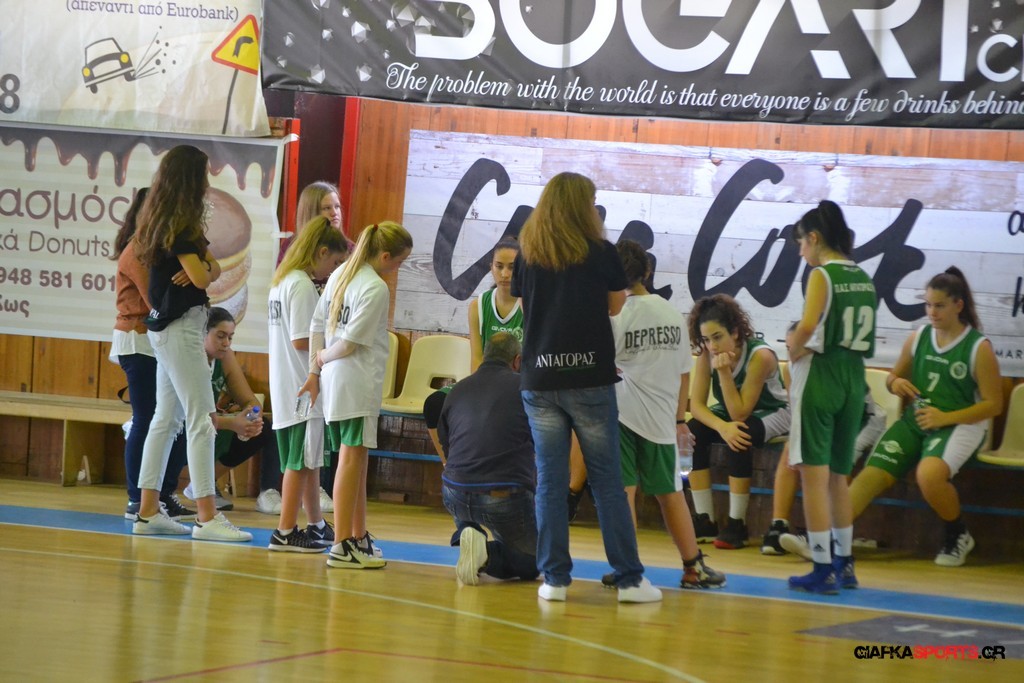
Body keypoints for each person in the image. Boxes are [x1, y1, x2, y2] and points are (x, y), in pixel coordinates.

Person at [782, 267, 1002, 567]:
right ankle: (825, 539)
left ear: (958, 305)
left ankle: (958, 533)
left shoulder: (978, 347)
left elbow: (993, 405)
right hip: (917, 420)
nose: (932, 312)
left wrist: (944, 417)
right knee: (870, 475)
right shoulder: (919, 337)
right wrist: (895, 383)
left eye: (939, 305)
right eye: (928, 305)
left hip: (961, 424)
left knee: (929, 475)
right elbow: (892, 378)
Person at [511, 171, 661, 604]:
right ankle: (629, 580)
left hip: (540, 378)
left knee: (550, 481)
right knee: (607, 481)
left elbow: (524, 307)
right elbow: (615, 305)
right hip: (589, 377)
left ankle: (554, 579)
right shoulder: (600, 251)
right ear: (584, 206)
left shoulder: (528, 252)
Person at [132, 144, 251, 541]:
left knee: (166, 420)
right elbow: (203, 277)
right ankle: (207, 517)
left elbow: (209, 268)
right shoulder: (181, 227)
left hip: (171, 328)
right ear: (190, 180)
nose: (207, 183)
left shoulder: (164, 222)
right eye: (203, 175)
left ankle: (148, 511)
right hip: (181, 328)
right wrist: (203, 268)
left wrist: (204, 267)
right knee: (201, 419)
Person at [608, 239, 726, 589]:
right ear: (647, 271)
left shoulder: (613, 316)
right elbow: (684, 373)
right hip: (662, 418)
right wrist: (679, 420)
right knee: (671, 493)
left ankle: (627, 569)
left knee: (624, 493)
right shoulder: (672, 314)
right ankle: (693, 568)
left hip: (621, 414)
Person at [306, 220, 413, 569]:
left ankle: (358, 535)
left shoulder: (340, 274)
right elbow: (349, 343)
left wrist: (316, 369)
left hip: (337, 382)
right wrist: (321, 358)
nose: (398, 269)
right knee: (350, 462)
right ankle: (342, 545)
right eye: (399, 262)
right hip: (356, 382)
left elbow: (316, 325)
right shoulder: (375, 287)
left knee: (357, 461)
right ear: (385, 256)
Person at [785, 200, 877, 593]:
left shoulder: (823, 275)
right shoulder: (863, 276)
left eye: (800, 243)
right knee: (840, 477)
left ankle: (821, 567)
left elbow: (808, 326)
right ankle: (845, 562)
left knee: (813, 479)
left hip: (822, 377)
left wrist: (793, 347)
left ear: (814, 237)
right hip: (854, 378)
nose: (800, 251)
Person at [761, 325, 887, 555]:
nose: (792, 353)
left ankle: (822, 537)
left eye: (798, 347)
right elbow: (799, 411)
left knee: (836, 464)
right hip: (825, 421)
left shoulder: (837, 368)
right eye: (788, 348)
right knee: (791, 449)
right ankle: (778, 527)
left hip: (862, 420)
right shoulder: (791, 368)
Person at [110, 187, 194, 522]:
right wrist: (192, 280)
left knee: (175, 419)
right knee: (146, 419)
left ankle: (163, 494)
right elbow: (158, 300)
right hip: (138, 339)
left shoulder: (156, 250)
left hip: (156, 340)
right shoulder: (137, 251)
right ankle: (137, 498)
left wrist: (196, 274)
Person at [267, 217, 349, 552]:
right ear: (321, 252)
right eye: (335, 262)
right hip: (302, 387)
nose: (333, 271)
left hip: (289, 385)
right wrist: (337, 343)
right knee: (299, 463)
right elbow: (303, 340)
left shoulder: (282, 280)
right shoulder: (301, 285)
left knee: (308, 460)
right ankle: (285, 531)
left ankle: (315, 524)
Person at [686, 294, 790, 550]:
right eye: (706, 339)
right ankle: (705, 519)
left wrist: (723, 372)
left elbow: (739, 414)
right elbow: (696, 406)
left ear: (735, 332)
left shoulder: (760, 356)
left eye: (717, 337)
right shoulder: (707, 355)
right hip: (735, 410)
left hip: (774, 410)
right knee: (693, 432)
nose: (712, 346)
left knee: (740, 433)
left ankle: (737, 524)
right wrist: (722, 427)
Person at [437, 332, 539, 584]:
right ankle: (485, 555)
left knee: (466, 502)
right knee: (533, 563)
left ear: (485, 357)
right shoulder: (525, 388)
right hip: (501, 495)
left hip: (454, 492)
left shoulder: (457, 389)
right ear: (517, 360)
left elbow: (447, 444)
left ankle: (468, 532)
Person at [180, 308, 284, 516]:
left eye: (230, 337)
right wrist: (233, 423)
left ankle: (267, 493)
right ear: (202, 333)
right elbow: (190, 417)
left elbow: (252, 402)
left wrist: (251, 417)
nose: (226, 343)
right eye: (220, 336)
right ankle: (164, 492)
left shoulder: (225, 356)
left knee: (265, 428)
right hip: (183, 428)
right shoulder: (188, 357)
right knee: (189, 430)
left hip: (211, 423)